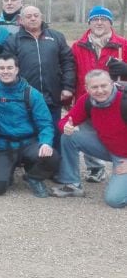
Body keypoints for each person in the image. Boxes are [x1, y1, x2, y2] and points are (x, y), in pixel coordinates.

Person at [0, 53, 60, 198]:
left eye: (9, 68)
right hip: (3, 147)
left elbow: (45, 123)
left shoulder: (32, 94)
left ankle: (34, 177)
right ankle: (6, 171)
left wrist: (45, 143)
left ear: (17, 69)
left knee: (52, 157)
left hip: (28, 144)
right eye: (1, 68)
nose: (5, 71)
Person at [52, 70, 127, 207]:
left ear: (112, 84)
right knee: (69, 137)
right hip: (107, 146)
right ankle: (72, 185)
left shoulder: (124, 100)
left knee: (114, 200)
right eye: (95, 87)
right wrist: (66, 127)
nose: (100, 91)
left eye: (104, 86)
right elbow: (65, 121)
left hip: (124, 156)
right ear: (87, 88)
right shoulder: (87, 100)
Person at [3, 5, 75, 148]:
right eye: (28, 16)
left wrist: (68, 87)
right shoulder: (13, 40)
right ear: (20, 21)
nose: (33, 18)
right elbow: (7, 69)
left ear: (41, 17)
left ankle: (54, 165)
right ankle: (32, 165)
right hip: (25, 97)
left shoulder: (56, 37)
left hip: (52, 96)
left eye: (36, 15)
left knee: (53, 131)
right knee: (29, 133)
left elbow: (68, 62)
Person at [71, 6, 127, 182]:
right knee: (88, 131)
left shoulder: (123, 45)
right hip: (86, 97)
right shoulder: (78, 46)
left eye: (104, 19)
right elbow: (72, 72)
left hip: (117, 100)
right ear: (90, 22)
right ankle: (95, 168)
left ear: (110, 23)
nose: (99, 22)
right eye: (95, 19)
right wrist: (70, 96)